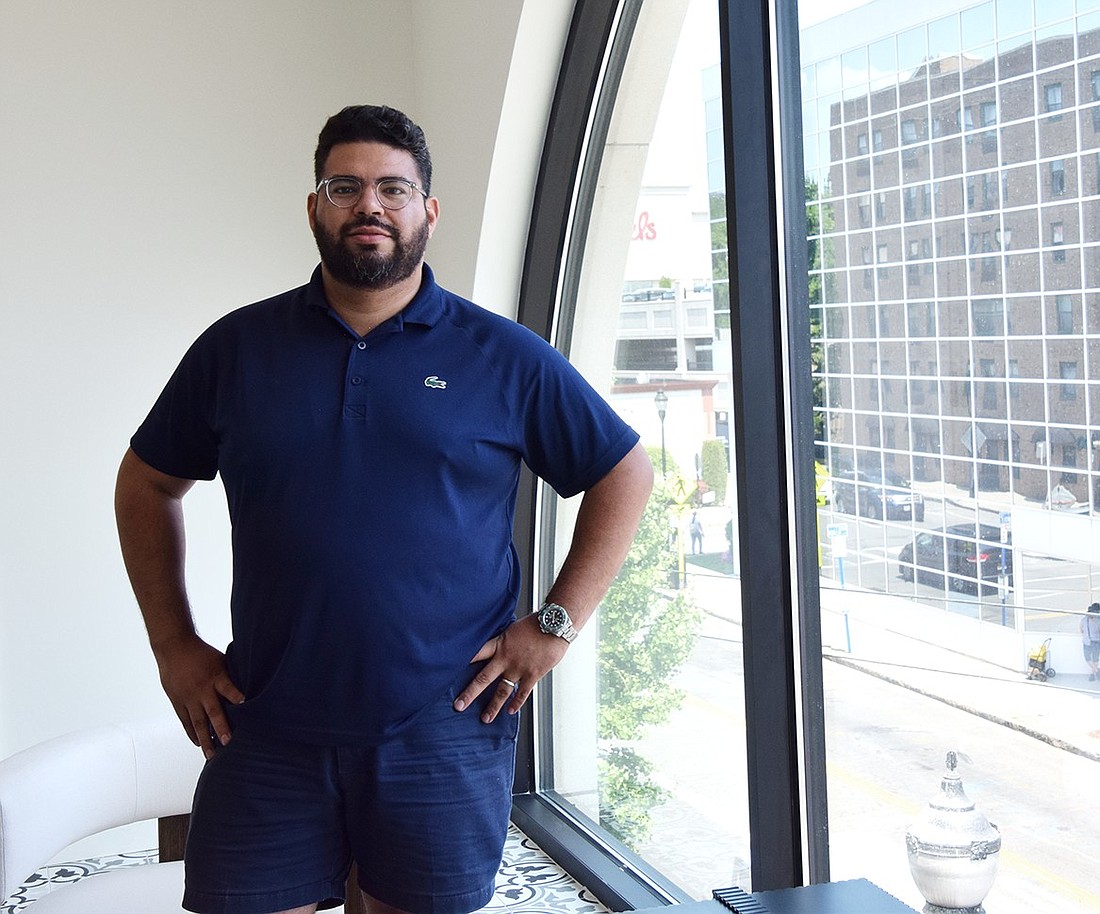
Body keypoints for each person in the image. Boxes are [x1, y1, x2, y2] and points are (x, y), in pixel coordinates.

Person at [114, 104, 653, 914]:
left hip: (443, 730)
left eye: (393, 189)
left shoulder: (500, 355)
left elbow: (624, 471)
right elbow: (145, 482)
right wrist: (172, 645)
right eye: (346, 186)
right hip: (266, 724)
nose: (370, 205)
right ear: (315, 207)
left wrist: (554, 626)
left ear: (427, 212)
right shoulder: (236, 350)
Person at [1082, 602, 1100, 682]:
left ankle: (1093, 674)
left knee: (1092, 659)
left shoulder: (1084, 619)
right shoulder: (1098, 620)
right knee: (1091, 658)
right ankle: (1096, 671)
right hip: (1094, 641)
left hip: (1089, 641)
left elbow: (1081, 629)